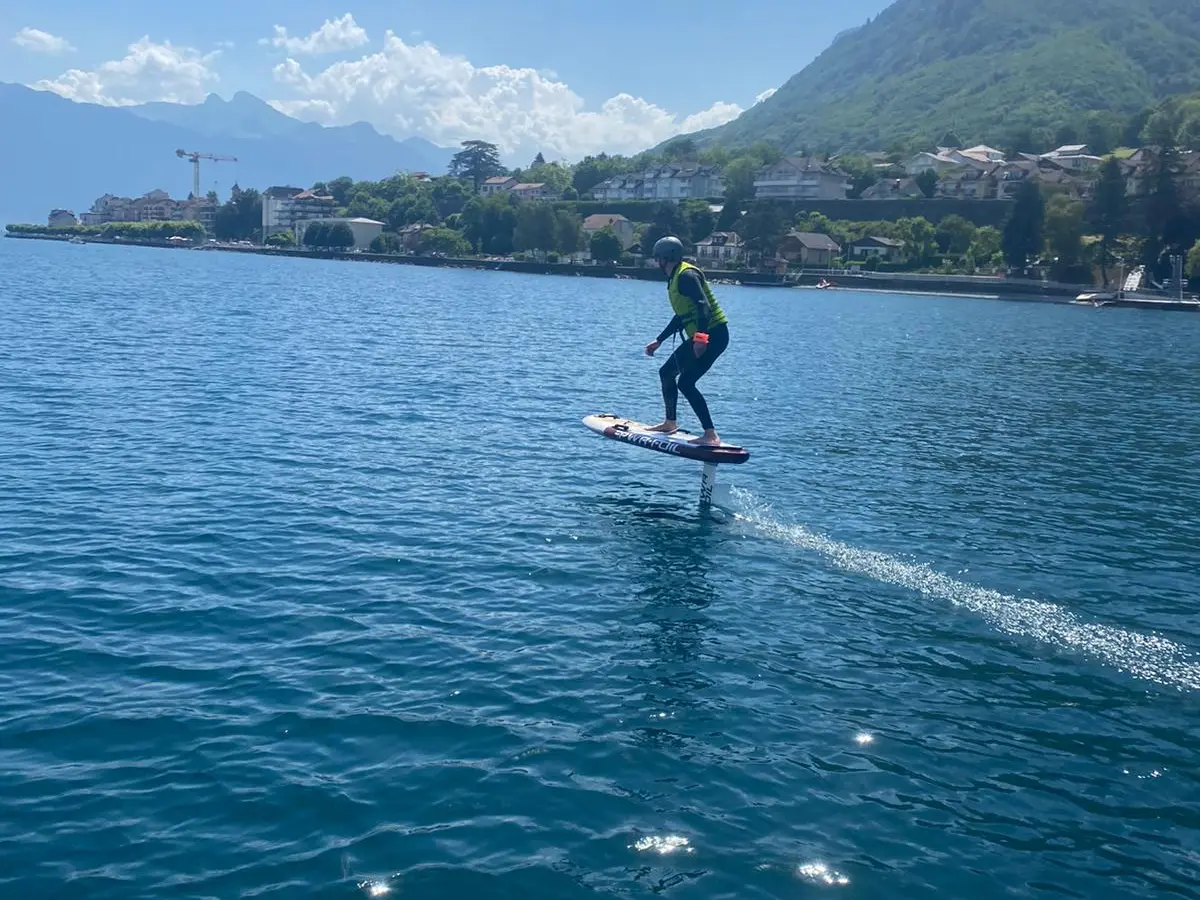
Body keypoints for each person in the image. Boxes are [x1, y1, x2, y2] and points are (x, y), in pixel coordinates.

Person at [643, 235, 730, 446]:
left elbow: (703, 306)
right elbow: (683, 315)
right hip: (701, 335)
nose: (656, 263)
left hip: (714, 335)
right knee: (666, 373)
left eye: (657, 259)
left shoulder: (686, 275)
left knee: (686, 382)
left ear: (665, 257)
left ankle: (710, 435)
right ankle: (669, 422)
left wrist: (701, 340)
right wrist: (659, 340)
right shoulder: (675, 277)